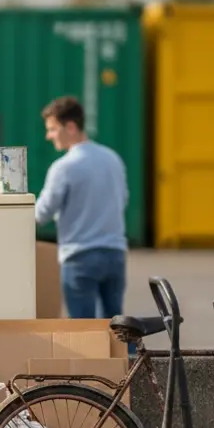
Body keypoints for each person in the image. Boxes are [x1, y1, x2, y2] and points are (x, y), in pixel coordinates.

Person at [35, 95, 130, 319]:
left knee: (83, 330)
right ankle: (129, 355)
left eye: (52, 129)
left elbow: (41, 214)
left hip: (80, 258)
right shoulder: (112, 158)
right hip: (115, 254)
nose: (49, 136)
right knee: (117, 328)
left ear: (70, 126)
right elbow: (123, 199)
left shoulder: (64, 167)